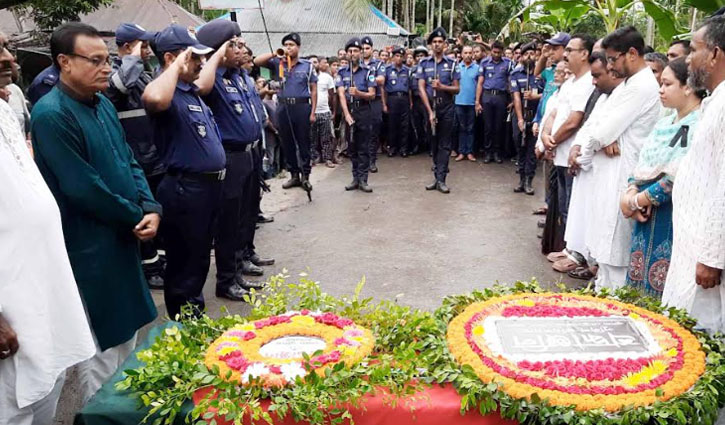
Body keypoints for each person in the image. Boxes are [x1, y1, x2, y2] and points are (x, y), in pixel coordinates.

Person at [30, 22, 160, 403]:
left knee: (130, 339)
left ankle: (124, 409)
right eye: (96, 60)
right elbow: (83, 188)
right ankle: (101, 413)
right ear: (64, 62)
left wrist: (150, 206)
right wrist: (135, 215)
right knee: (102, 352)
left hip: (122, 236)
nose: (107, 68)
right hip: (89, 248)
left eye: (109, 60)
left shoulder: (102, 103)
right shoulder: (51, 115)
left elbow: (128, 159)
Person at [0, 35, 95, 425]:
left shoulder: (7, 107)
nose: (8, 57)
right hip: (9, 315)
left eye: (6, 46)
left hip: (44, 298)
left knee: (49, 386)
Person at [143, 24, 223, 318]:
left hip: (206, 189)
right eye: (194, 56)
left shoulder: (190, 91)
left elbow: (207, 79)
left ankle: (194, 318)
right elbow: (153, 100)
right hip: (185, 189)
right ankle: (183, 325)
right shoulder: (165, 91)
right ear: (170, 58)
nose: (201, 62)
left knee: (199, 259)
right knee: (184, 265)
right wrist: (177, 64)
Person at [582, 26, 661, 290]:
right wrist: (601, 138)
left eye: (614, 58)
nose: (610, 65)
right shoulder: (628, 84)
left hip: (623, 175)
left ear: (632, 53)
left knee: (616, 255)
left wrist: (602, 139)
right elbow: (598, 126)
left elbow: (600, 133)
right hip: (610, 176)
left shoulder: (641, 86)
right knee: (605, 254)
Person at [193, 20, 266, 303]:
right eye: (233, 44)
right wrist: (215, 55)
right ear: (219, 49)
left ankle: (237, 270)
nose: (241, 49)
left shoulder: (237, 75)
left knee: (244, 216)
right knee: (228, 223)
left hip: (248, 154)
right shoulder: (212, 76)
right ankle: (225, 280)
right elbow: (201, 87)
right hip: (230, 156)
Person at [619, 58, 702, 298]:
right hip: (643, 217)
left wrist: (637, 201)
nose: (661, 89)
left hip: (672, 215)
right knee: (638, 281)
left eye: (667, 84)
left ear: (687, 87)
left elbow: (678, 176)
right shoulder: (664, 123)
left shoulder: (699, 125)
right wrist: (631, 190)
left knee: (664, 287)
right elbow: (642, 165)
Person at [663, 15, 725, 334]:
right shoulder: (715, 102)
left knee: (703, 335)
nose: (688, 58)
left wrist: (712, 257)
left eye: (695, 49)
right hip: (693, 242)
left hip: (707, 255)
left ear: (715, 54)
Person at [106, 23, 166, 290]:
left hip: (155, 157)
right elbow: (117, 88)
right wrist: (132, 57)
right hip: (135, 161)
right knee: (142, 215)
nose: (147, 51)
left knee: (158, 215)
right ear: (128, 46)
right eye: (142, 45)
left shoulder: (143, 74)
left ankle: (161, 263)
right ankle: (149, 268)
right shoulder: (116, 72)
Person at [564, 50, 624, 281]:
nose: (594, 81)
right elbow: (590, 129)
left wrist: (582, 155)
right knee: (587, 217)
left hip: (606, 173)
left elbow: (601, 136)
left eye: (598, 76)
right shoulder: (603, 97)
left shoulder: (624, 97)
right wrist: (576, 147)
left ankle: (595, 268)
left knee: (606, 232)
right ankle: (589, 264)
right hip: (589, 165)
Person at [540, 34, 595, 229]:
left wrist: (551, 140)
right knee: (562, 205)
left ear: (584, 54)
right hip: (558, 154)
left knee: (571, 208)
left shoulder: (589, 82)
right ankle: (563, 247)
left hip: (572, 156)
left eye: (570, 50)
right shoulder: (570, 82)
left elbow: (574, 121)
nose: (565, 54)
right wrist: (545, 136)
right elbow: (554, 112)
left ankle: (570, 251)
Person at [254, 33, 317, 193]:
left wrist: (313, 112)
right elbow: (256, 61)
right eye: (286, 45)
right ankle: (294, 175)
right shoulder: (277, 63)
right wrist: (276, 53)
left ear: (298, 47)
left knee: (303, 142)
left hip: (302, 107)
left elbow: (314, 89)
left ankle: (306, 176)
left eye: (292, 45)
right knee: (287, 142)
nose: (289, 48)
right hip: (283, 107)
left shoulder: (307, 65)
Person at [418, 27, 461, 194]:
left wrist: (442, 86)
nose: (437, 45)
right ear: (430, 45)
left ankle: (441, 179)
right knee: (433, 142)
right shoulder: (423, 63)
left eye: (440, 42)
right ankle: (436, 175)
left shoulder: (452, 64)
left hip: (447, 107)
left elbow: (457, 89)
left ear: (445, 45)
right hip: (429, 107)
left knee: (444, 144)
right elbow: (421, 88)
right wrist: (429, 111)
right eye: (434, 42)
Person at [336, 37, 376, 193]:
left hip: (364, 111)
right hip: (349, 111)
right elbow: (340, 94)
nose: (352, 54)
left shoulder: (368, 72)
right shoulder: (341, 72)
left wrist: (359, 93)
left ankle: (363, 179)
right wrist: (346, 114)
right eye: (350, 51)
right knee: (351, 146)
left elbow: (372, 94)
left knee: (363, 146)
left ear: (360, 53)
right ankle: (354, 178)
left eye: (355, 51)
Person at [510, 41, 544, 194]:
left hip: (536, 118)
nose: (529, 56)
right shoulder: (515, 74)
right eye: (526, 54)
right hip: (520, 116)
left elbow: (547, 95)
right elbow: (516, 97)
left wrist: (534, 97)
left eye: (532, 53)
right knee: (520, 147)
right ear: (521, 57)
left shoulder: (541, 75)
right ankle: (521, 179)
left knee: (531, 150)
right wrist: (520, 119)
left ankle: (529, 180)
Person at [476, 40, 512, 164]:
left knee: (498, 126)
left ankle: (496, 152)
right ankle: (488, 152)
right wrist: (477, 101)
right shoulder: (484, 62)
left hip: (501, 97)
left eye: (499, 52)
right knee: (487, 126)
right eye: (494, 52)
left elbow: (510, 82)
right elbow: (480, 83)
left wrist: (512, 99)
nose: (496, 54)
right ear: (491, 51)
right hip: (487, 96)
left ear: (502, 52)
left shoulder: (507, 63)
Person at [361, 36, 386, 173]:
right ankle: (361, 160)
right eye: (362, 48)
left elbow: (381, 79)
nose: (364, 50)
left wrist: (365, 82)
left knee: (374, 131)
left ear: (371, 49)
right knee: (360, 131)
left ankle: (371, 160)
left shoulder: (378, 64)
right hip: (360, 101)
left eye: (367, 48)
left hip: (374, 101)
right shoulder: (356, 64)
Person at [381, 46, 410, 157]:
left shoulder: (407, 70)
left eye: (401, 56)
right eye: (396, 56)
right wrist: (384, 104)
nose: (399, 58)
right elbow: (383, 88)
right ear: (393, 57)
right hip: (392, 99)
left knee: (404, 125)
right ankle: (392, 147)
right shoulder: (387, 70)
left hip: (404, 98)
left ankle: (403, 149)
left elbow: (410, 88)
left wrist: (410, 102)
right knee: (392, 124)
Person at [454, 45, 479, 162]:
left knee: (471, 128)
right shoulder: (457, 67)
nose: (468, 55)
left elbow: (480, 86)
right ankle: (461, 152)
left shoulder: (478, 68)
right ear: (462, 54)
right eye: (466, 53)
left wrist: (477, 101)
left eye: (470, 53)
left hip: (472, 103)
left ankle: (469, 152)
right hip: (459, 102)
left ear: (473, 54)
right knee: (461, 128)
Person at [311, 55, 337, 167]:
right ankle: (313, 158)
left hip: (325, 111)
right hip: (311, 112)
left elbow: (333, 95)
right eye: (311, 62)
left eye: (316, 62)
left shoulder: (327, 77)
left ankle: (328, 159)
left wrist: (334, 111)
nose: (314, 64)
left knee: (326, 137)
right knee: (311, 138)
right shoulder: (305, 77)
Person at [409, 46, 429, 155]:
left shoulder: (429, 69)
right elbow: (409, 88)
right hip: (416, 100)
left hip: (425, 99)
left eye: (422, 56)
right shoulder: (411, 70)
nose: (419, 58)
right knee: (417, 125)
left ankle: (430, 146)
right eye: (417, 56)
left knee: (428, 123)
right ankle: (419, 145)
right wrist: (411, 101)